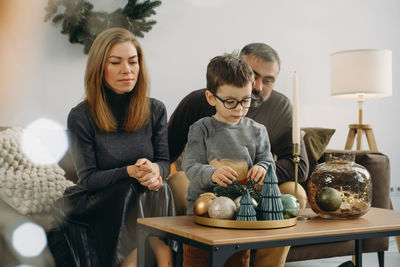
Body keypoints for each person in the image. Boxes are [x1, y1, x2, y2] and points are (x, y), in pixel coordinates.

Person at [167, 43, 309, 267]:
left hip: (251, 188)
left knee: (294, 191)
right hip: (206, 184)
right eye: (255, 76)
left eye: (269, 80)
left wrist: (261, 171)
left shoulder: (272, 113)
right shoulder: (199, 111)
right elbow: (171, 153)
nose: (259, 88)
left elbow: (297, 166)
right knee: (179, 183)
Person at [47, 28, 175, 267]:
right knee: (131, 187)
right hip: (97, 201)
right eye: (115, 62)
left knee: (159, 187)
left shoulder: (156, 110)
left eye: (133, 62)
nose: (127, 70)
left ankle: (158, 250)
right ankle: (145, 257)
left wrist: (155, 171)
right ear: (99, 68)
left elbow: (165, 163)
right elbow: (88, 179)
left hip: (142, 197)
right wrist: (130, 171)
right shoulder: (81, 116)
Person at [181, 53, 275, 267]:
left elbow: (268, 162)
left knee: (238, 261)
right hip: (202, 215)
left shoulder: (258, 131)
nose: (239, 109)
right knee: (197, 260)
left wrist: (262, 168)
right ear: (211, 98)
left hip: (242, 214)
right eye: (230, 102)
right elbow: (190, 166)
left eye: (246, 101)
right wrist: (212, 174)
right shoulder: (201, 129)